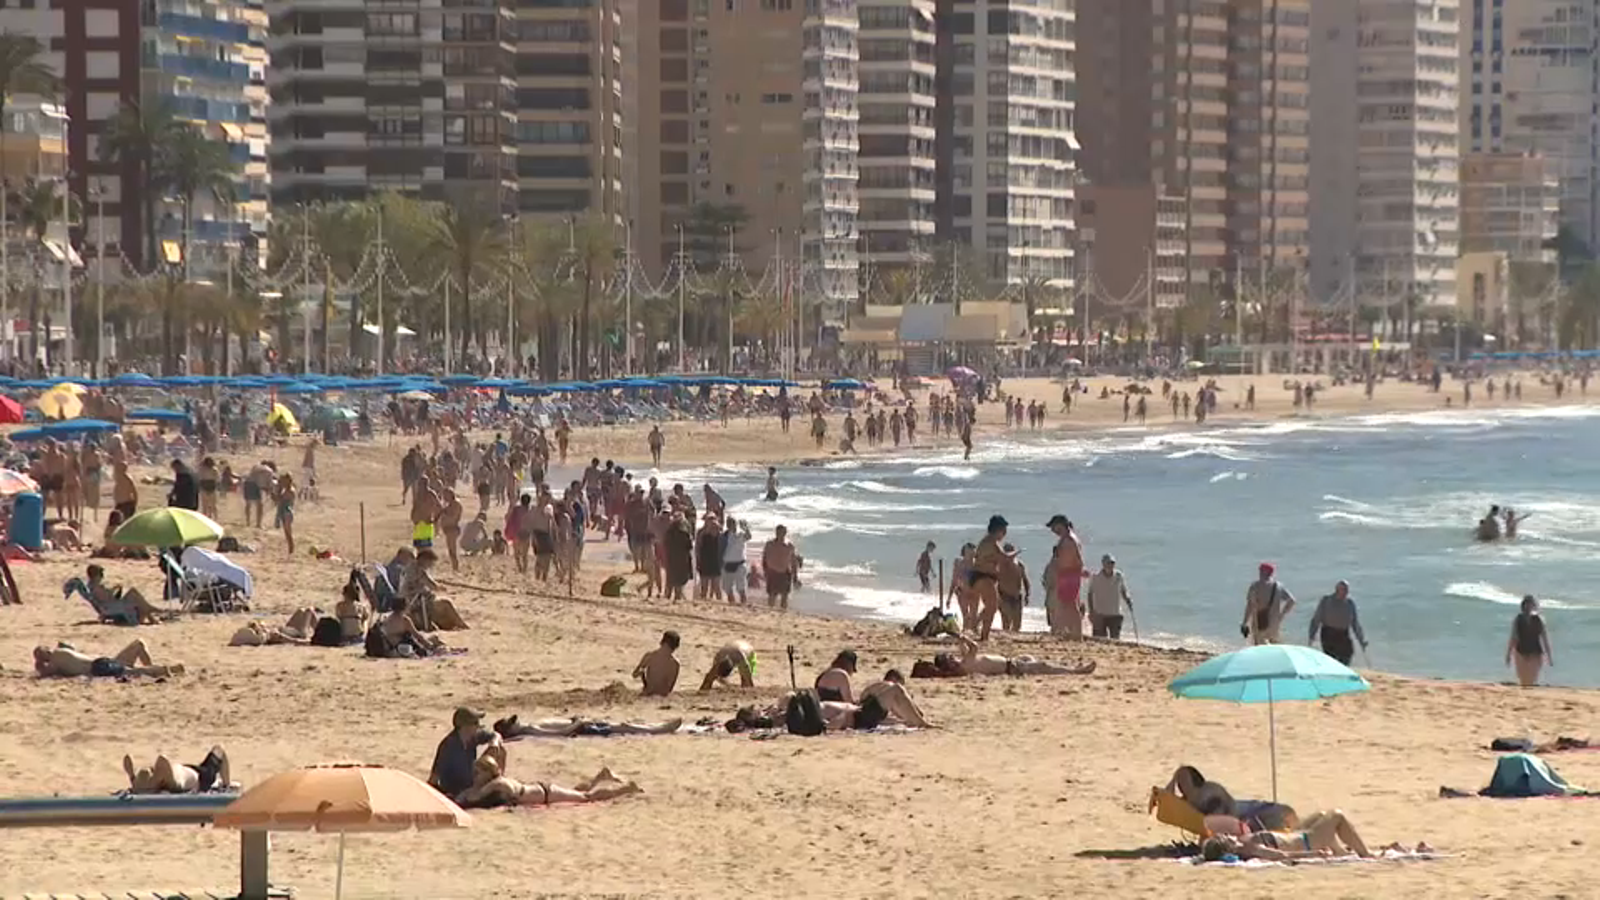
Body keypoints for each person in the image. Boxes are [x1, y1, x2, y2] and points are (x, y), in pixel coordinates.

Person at [456, 754, 641, 808]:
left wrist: (463, 798)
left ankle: (625, 789)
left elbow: (476, 797)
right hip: (541, 791)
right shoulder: (490, 784)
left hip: (546, 794)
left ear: (488, 773)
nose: (475, 775)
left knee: (586, 797)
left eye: (478, 772)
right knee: (576, 792)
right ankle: (600, 777)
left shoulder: (498, 784)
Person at [1200, 810, 1378, 862]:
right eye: (1224, 837)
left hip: (1297, 836)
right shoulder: (1249, 848)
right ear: (1228, 848)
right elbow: (1281, 855)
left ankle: (1339, 851)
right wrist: (1313, 854)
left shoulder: (1244, 844)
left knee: (1321, 815)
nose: (1226, 835)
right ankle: (1366, 853)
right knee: (1337, 816)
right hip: (1307, 842)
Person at [1165, 765, 1298, 831]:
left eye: (1183, 783)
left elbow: (1218, 824)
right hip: (1241, 811)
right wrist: (1175, 777)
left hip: (1247, 815)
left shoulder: (1210, 795)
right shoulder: (1192, 796)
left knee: (1278, 816)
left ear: (1195, 784)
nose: (1181, 787)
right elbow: (1167, 796)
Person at [429, 707, 504, 802]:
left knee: (500, 750)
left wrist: (494, 743)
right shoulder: (448, 746)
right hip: (458, 791)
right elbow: (433, 779)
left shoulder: (473, 737)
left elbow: (496, 735)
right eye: (475, 723)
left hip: (473, 783)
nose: (479, 726)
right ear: (465, 726)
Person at [32, 638, 184, 678]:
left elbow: (44, 674)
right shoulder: (63, 651)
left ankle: (161, 670)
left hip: (98, 668)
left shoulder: (55, 661)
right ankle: (162, 669)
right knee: (138, 644)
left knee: (133, 671)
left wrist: (38, 665)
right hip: (102, 661)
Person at [950, 635, 1094, 676]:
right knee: (1043, 666)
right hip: (1011, 667)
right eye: (951, 658)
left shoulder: (965, 664)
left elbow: (964, 651)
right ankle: (1075, 671)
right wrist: (965, 639)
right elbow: (974, 647)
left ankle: (1066, 667)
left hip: (1011, 662)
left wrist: (960, 640)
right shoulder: (966, 663)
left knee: (1030, 658)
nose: (953, 657)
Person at [124, 746, 231, 794]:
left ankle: (136, 779)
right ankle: (227, 786)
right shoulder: (172, 782)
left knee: (145, 773)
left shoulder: (164, 777)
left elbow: (162, 762)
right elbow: (162, 760)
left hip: (185, 773)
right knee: (219, 749)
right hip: (199, 777)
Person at [1307, 580, 1367, 665]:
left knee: (1347, 655)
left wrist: (1361, 640)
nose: (1345, 592)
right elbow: (1316, 619)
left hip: (1343, 634)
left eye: (1346, 590)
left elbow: (1355, 623)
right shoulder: (1326, 601)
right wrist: (1312, 636)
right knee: (1331, 659)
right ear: (1336, 590)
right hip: (1328, 634)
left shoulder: (1350, 603)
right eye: (1343, 590)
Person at [968, 515, 1008, 640]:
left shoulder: (990, 541)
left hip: (985, 577)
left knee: (992, 606)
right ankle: (982, 633)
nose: (1005, 534)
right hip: (983, 576)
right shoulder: (990, 542)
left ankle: (977, 625)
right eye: (1004, 530)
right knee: (992, 606)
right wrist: (1017, 553)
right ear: (998, 529)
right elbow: (1004, 557)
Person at [1047, 514, 1086, 638]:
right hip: (1067, 574)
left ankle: (1076, 634)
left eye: (1053, 527)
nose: (1052, 530)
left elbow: (1078, 560)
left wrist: (1076, 572)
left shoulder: (1069, 539)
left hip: (1069, 575)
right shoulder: (1067, 538)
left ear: (1060, 525)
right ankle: (1064, 631)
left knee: (1070, 606)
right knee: (1066, 605)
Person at [1241, 563, 1295, 645]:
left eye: (1261, 571)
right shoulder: (1278, 586)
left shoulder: (1255, 586)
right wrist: (1281, 615)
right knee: (1274, 646)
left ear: (1264, 572)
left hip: (1260, 623)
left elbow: (1250, 605)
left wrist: (1245, 622)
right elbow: (1292, 601)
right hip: (1274, 623)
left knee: (1260, 647)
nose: (1259, 573)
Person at [1507, 594, 1552, 687]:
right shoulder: (1518, 619)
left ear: (1534, 606)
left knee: (1531, 678)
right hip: (1520, 652)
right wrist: (1509, 654)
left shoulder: (1539, 620)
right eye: (1526, 604)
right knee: (1523, 679)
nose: (1528, 607)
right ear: (1523, 606)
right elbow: (1513, 637)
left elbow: (1545, 639)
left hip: (1535, 653)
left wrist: (1549, 656)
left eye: (1530, 604)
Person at [1085, 553, 1133, 640]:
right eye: (1108, 563)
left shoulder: (1119, 576)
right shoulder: (1095, 577)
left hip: (1115, 614)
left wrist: (1128, 600)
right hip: (1100, 614)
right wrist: (1091, 612)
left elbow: (1123, 591)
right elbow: (1090, 595)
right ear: (1103, 564)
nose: (1110, 565)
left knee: (1115, 640)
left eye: (1112, 563)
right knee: (1099, 640)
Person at [633, 630, 682, 697]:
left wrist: (642, 675)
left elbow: (635, 674)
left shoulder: (650, 656)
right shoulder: (675, 664)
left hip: (648, 694)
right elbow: (669, 689)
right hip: (659, 697)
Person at [995, 542, 1029, 633]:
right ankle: (1005, 637)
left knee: (1017, 624)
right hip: (1004, 595)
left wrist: (1027, 594)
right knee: (1006, 621)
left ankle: (1012, 636)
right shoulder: (1000, 564)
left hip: (1017, 596)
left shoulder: (1020, 565)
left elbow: (1025, 580)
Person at [762, 524, 798, 610]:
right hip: (772, 572)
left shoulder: (789, 546)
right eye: (779, 532)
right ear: (776, 532)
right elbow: (764, 559)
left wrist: (795, 577)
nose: (780, 534)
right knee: (772, 595)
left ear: (785, 533)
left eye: (782, 532)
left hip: (785, 573)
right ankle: (770, 611)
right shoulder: (769, 544)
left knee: (784, 596)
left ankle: (783, 612)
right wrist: (765, 571)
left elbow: (793, 562)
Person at [721, 515, 751, 604]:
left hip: (739, 564)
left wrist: (746, 528)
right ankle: (732, 603)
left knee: (741, 588)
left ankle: (743, 604)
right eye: (728, 523)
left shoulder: (741, 534)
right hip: (727, 564)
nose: (730, 525)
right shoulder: (724, 535)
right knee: (727, 588)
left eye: (732, 523)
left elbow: (748, 536)